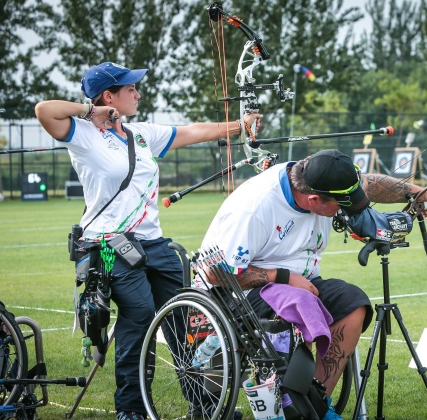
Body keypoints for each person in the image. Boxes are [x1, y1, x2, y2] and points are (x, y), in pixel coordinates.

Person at [35, 61, 261, 420]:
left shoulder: (142, 134)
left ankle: (203, 404)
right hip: (109, 245)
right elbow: (44, 110)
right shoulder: (82, 134)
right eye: (130, 89)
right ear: (110, 96)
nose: (138, 93)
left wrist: (240, 125)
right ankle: (131, 409)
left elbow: (192, 131)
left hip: (153, 243)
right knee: (139, 315)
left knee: (183, 316)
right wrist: (90, 111)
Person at [200, 148, 427, 420]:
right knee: (301, 303)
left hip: (303, 283)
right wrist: (282, 277)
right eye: (342, 205)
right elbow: (215, 273)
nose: (346, 211)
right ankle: (291, 404)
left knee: (353, 303)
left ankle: (314, 404)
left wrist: (419, 193)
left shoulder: (318, 181)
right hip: (240, 292)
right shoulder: (254, 209)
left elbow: (369, 184)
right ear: (314, 199)